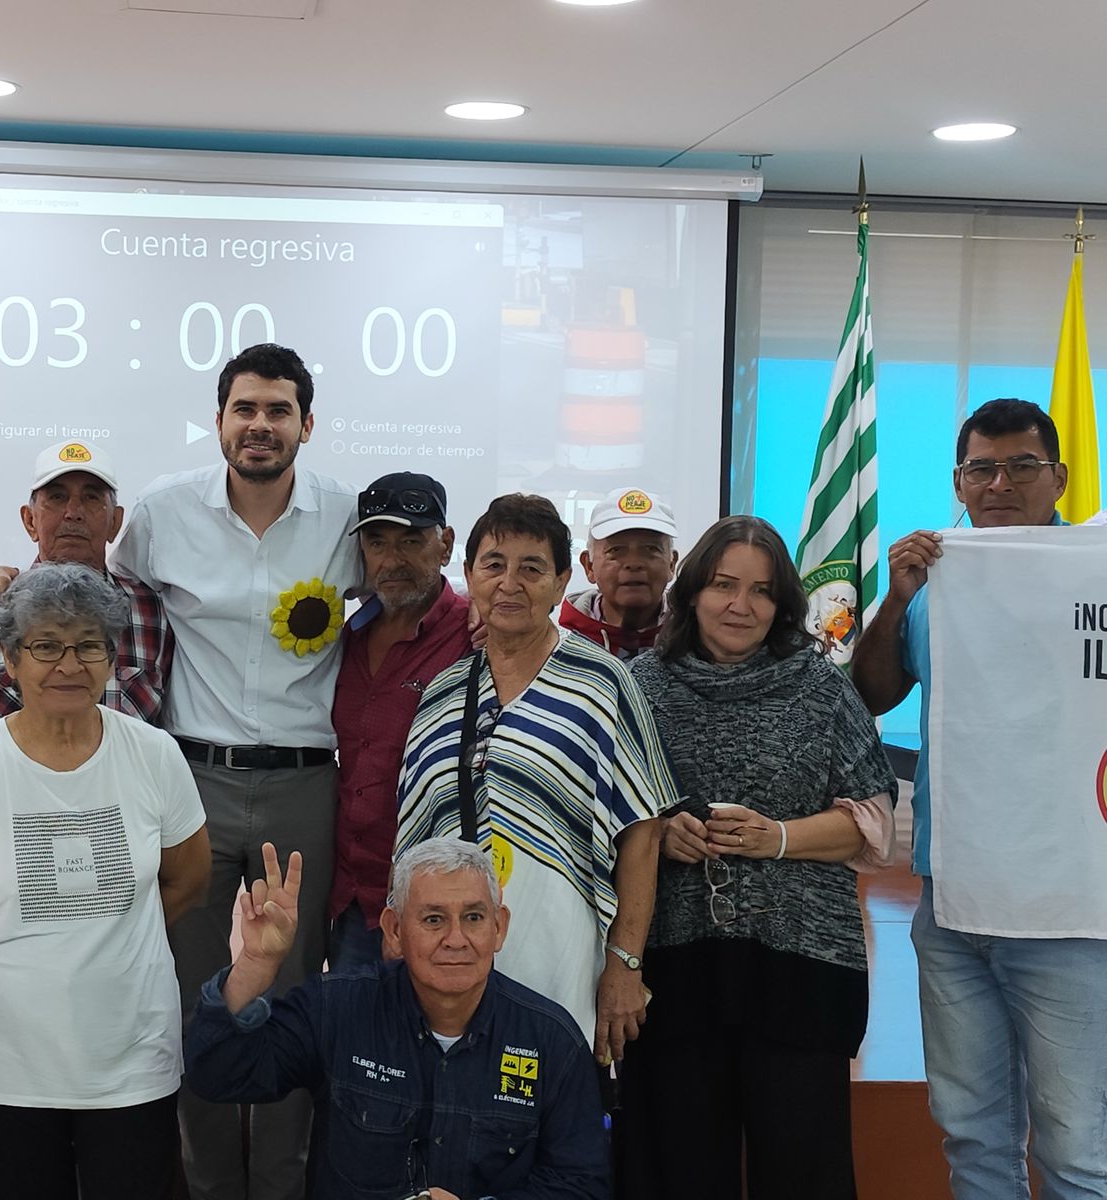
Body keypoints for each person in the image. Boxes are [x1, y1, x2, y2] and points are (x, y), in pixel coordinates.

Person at [111, 343, 360, 1200]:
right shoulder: (162, 511)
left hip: (305, 786)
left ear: (306, 425)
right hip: (191, 783)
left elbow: (416, 597)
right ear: (218, 420)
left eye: (278, 410)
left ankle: (281, 1183)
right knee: (196, 996)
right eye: (244, 408)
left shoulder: (346, 519)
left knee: (291, 993)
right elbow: (105, 594)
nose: (260, 425)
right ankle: (210, 1184)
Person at [852, 398, 1107, 1200]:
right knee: (973, 1137)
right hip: (953, 903)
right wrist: (898, 598)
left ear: (1059, 478)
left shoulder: (1095, 571)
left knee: (1076, 1149)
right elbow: (871, 694)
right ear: (958, 483)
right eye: (981, 469)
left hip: (1070, 915)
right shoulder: (937, 581)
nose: (1000, 484)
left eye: (1022, 466)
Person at [0, 563, 211, 1200]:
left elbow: (187, 880)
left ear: (112, 659)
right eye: (46, 646)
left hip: (132, 1064)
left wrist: (112, 941)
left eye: (89, 645)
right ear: (11, 661)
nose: (69, 664)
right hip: (6, 1068)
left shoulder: (155, 756)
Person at [619, 515, 897, 1200]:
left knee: (805, 1177)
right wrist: (660, 832)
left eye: (761, 591)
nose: (740, 605)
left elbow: (873, 822)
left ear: (783, 605)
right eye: (723, 585)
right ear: (691, 592)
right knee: (679, 1174)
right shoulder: (637, 686)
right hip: (674, 971)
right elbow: (607, 813)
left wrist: (779, 837)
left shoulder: (822, 689)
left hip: (800, 973)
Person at [396, 493, 675, 1064]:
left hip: (561, 948)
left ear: (562, 581)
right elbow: (414, 833)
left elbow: (642, 834)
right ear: (469, 573)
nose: (510, 584)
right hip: (448, 948)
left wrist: (625, 964)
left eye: (532, 568)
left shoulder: (603, 684)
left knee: (548, 1092)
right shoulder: (442, 693)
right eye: (494, 565)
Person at [185, 838, 610, 1200]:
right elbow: (215, 1074)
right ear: (393, 930)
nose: (456, 939)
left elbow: (583, 1183)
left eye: (474, 918)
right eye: (433, 919)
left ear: (499, 928)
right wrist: (256, 965)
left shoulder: (552, 1040)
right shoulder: (336, 1008)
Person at [0, 439, 171, 742]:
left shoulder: (152, 612)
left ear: (115, 522)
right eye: (57, 497)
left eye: (91, 497)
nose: (73, 512)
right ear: (29, 521)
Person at [327, 471, 471, 973]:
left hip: (438, 903)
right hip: (352, 897)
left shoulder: (476, 635)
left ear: (445, 544)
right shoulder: (347, 638)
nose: (391, 560)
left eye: (411, 541)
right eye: (377, 542)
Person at [560, 486, 678, 661]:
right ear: (589, 566)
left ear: (671, 564)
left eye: (650, 549)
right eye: (616, 550)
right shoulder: (557, 646)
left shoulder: (699, 640)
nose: (634, 563)